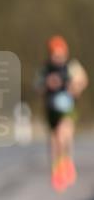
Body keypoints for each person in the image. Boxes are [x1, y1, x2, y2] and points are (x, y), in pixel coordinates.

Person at [37, 36, 89, 191]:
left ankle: (67, 162)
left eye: (60, 55)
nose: (57, 58)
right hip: (51, 108)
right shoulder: (46, 69)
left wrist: (74, 87)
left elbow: (83, 80)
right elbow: (38, 86)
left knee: (63, 134)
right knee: (54, 140)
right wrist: (48, 84)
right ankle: (57, 169)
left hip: (67, 107)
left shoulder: (71, 66)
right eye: (54, 55)